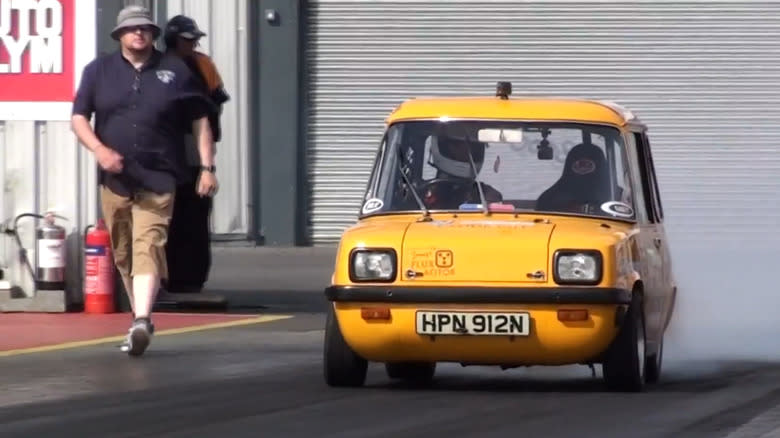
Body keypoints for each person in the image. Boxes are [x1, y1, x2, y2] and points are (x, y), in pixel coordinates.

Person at [70, 5, 218, 356]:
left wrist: (207, 168)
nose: (139, 34)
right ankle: (140, 314)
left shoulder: (176, 70)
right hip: (115, 179)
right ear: (119, 35)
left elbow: (200, 121)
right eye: (132, 29)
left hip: (159, 176)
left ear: (153, 34)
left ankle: (142, 319)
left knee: (148, 244)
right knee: (123, 253)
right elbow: (78, 118)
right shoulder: (99, 71)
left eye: (146, 29)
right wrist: (99, 150)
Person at [161, 15, 229, 294]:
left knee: (197, 213)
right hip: (167, 150)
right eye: (188, 40)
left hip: (196, 147)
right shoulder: (159, 65)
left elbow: (216, 102)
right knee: (168, 216)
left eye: (195, 39)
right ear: (173, 40)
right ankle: (166, 277)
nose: (193, 44)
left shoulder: (204, 64)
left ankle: (193, 278)